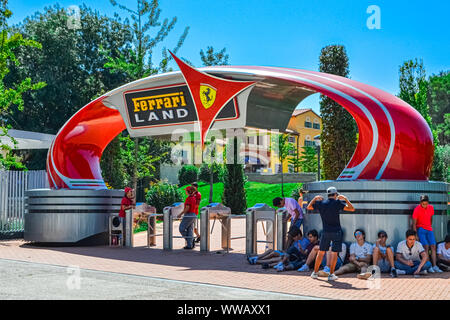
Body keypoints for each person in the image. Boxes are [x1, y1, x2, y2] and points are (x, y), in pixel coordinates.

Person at [306, 186, 355, 281]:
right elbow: (352, 209)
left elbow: (308, 207)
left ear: (328, 194)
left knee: (321, 252)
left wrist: (314, 199)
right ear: (336, 194)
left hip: (325, 231)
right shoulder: (338, 203)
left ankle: (315, 273)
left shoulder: (321, 203)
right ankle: (331, 274)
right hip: (336, 231)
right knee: (334, 253)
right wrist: (345, 199)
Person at [412, 195, 443, 272]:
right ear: (420, 203)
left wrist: (429, 226)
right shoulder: (416, 209)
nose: (425, 205)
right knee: (425, 247)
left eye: (426, 204)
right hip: (421, 229)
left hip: (429, 229)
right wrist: (416, 235)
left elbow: (431, 219)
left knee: (433, 246)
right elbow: (414, 224)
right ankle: (429, 266)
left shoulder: (431, 208)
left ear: (428, 203)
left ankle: (435, 266)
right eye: (423, 204)